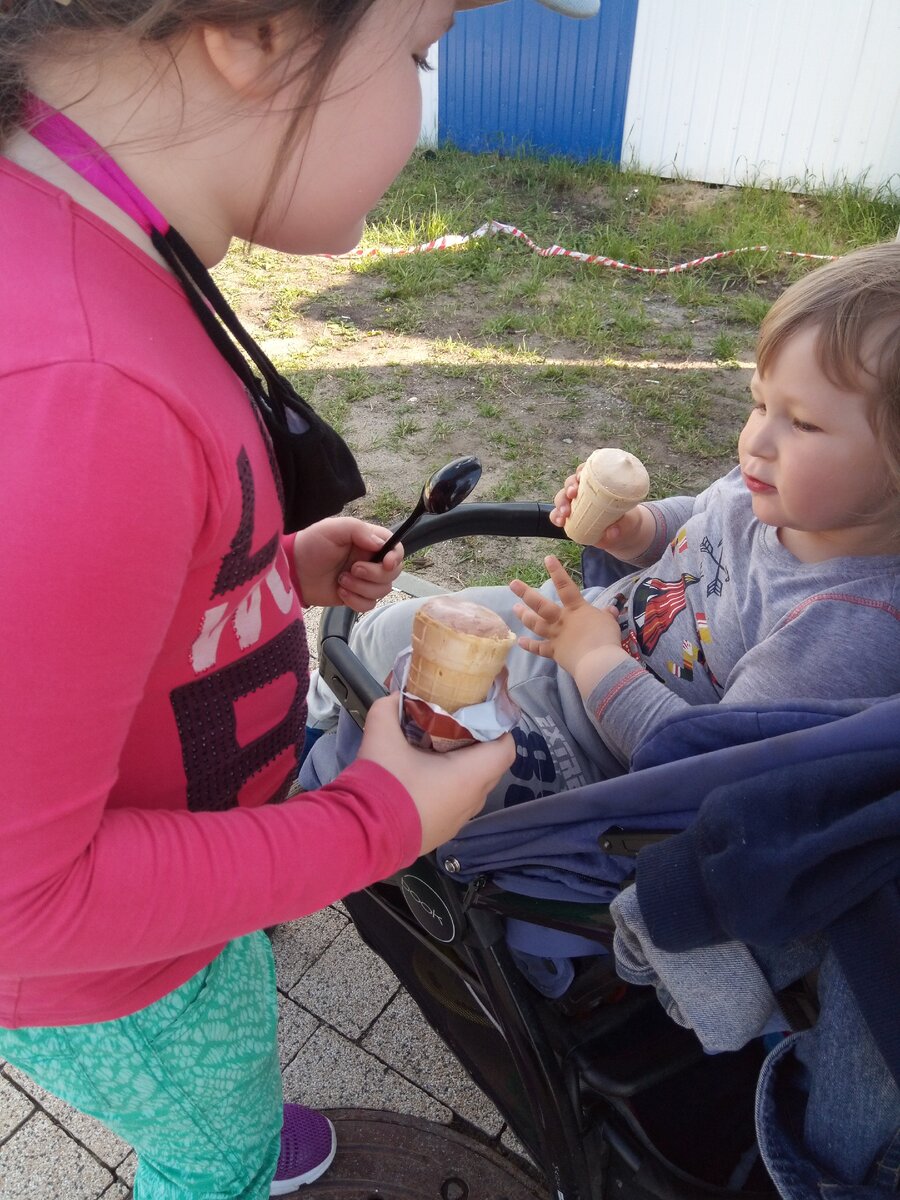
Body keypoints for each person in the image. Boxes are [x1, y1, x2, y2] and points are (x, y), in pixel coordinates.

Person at [0, 0, 616, 1194]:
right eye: (421, 49)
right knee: (206, 1148)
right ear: (259, 28)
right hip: (120, 983)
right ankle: (214, 1148)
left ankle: (222, 1101)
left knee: (226, 1042)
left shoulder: (97, 252)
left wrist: (271, 572)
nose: (422, 106)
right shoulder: (77, 394)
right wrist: (380, 817)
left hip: (187, 913)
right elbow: (25, 900)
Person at [304, 241, 900, 810]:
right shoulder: (777, 492)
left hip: (591, 754)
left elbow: (706, 768)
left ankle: (306, 818)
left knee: (404, 761)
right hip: (582, 629)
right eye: (760, 404)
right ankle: (306, 747)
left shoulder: (842, 632)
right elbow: (699, 518)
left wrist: (592, 657)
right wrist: (635, 530)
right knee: (394, 632)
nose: (756, 441)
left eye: (804, 424)